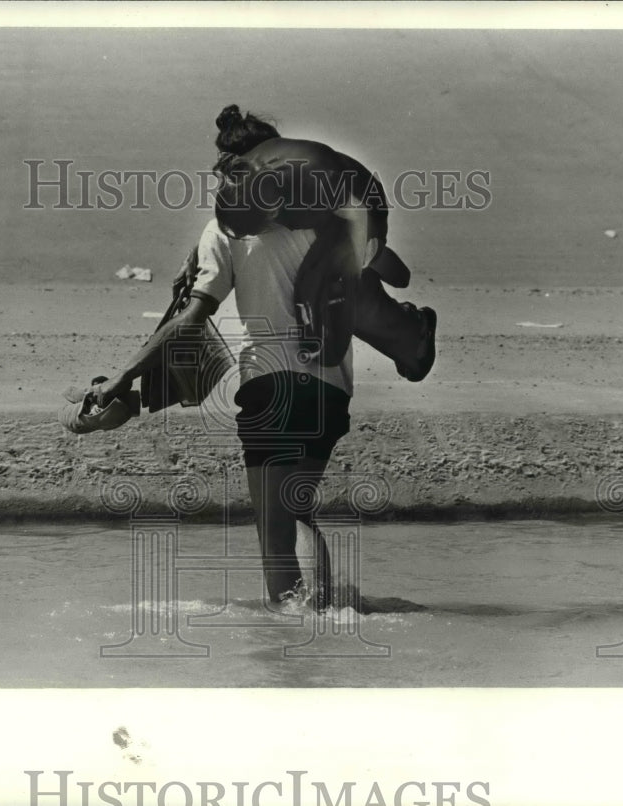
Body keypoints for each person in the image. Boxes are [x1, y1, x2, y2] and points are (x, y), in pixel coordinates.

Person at [85, 105, 434, 610]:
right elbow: (396, 273)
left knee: (277, 535)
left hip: (269, 387)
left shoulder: (223, 231)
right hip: (329, 390)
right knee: (298, 511)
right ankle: (327, 616)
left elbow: (190, 321)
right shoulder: (330, 219)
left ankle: (293, 635)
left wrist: (123, 376)